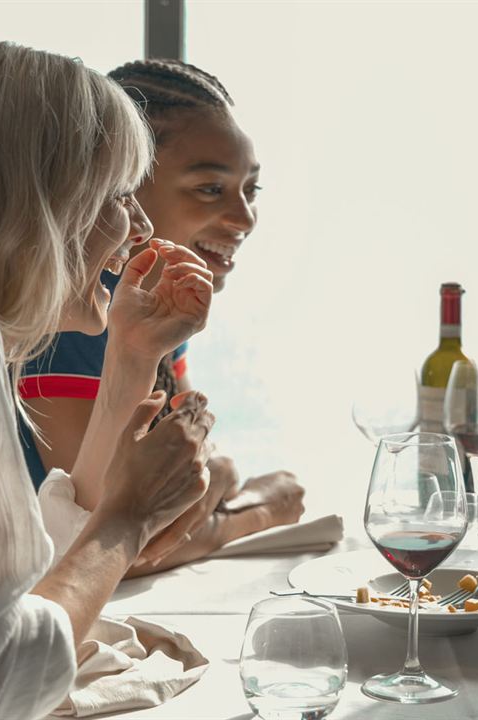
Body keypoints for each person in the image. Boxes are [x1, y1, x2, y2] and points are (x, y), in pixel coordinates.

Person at [0, 42, 217, 719]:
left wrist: (130, 359)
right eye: (118, 195)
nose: (140, 227)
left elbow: (9, 586)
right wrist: (128, 520)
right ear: (35, 201)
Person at [19, 59, 304, 574]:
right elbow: (109, 547)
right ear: (123, 185)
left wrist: (214, 478)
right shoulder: (77, 317)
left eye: (251, 190)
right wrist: (259, 511)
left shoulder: (154, 306)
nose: (244, 219)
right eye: (210, 189)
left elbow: (192, 469)